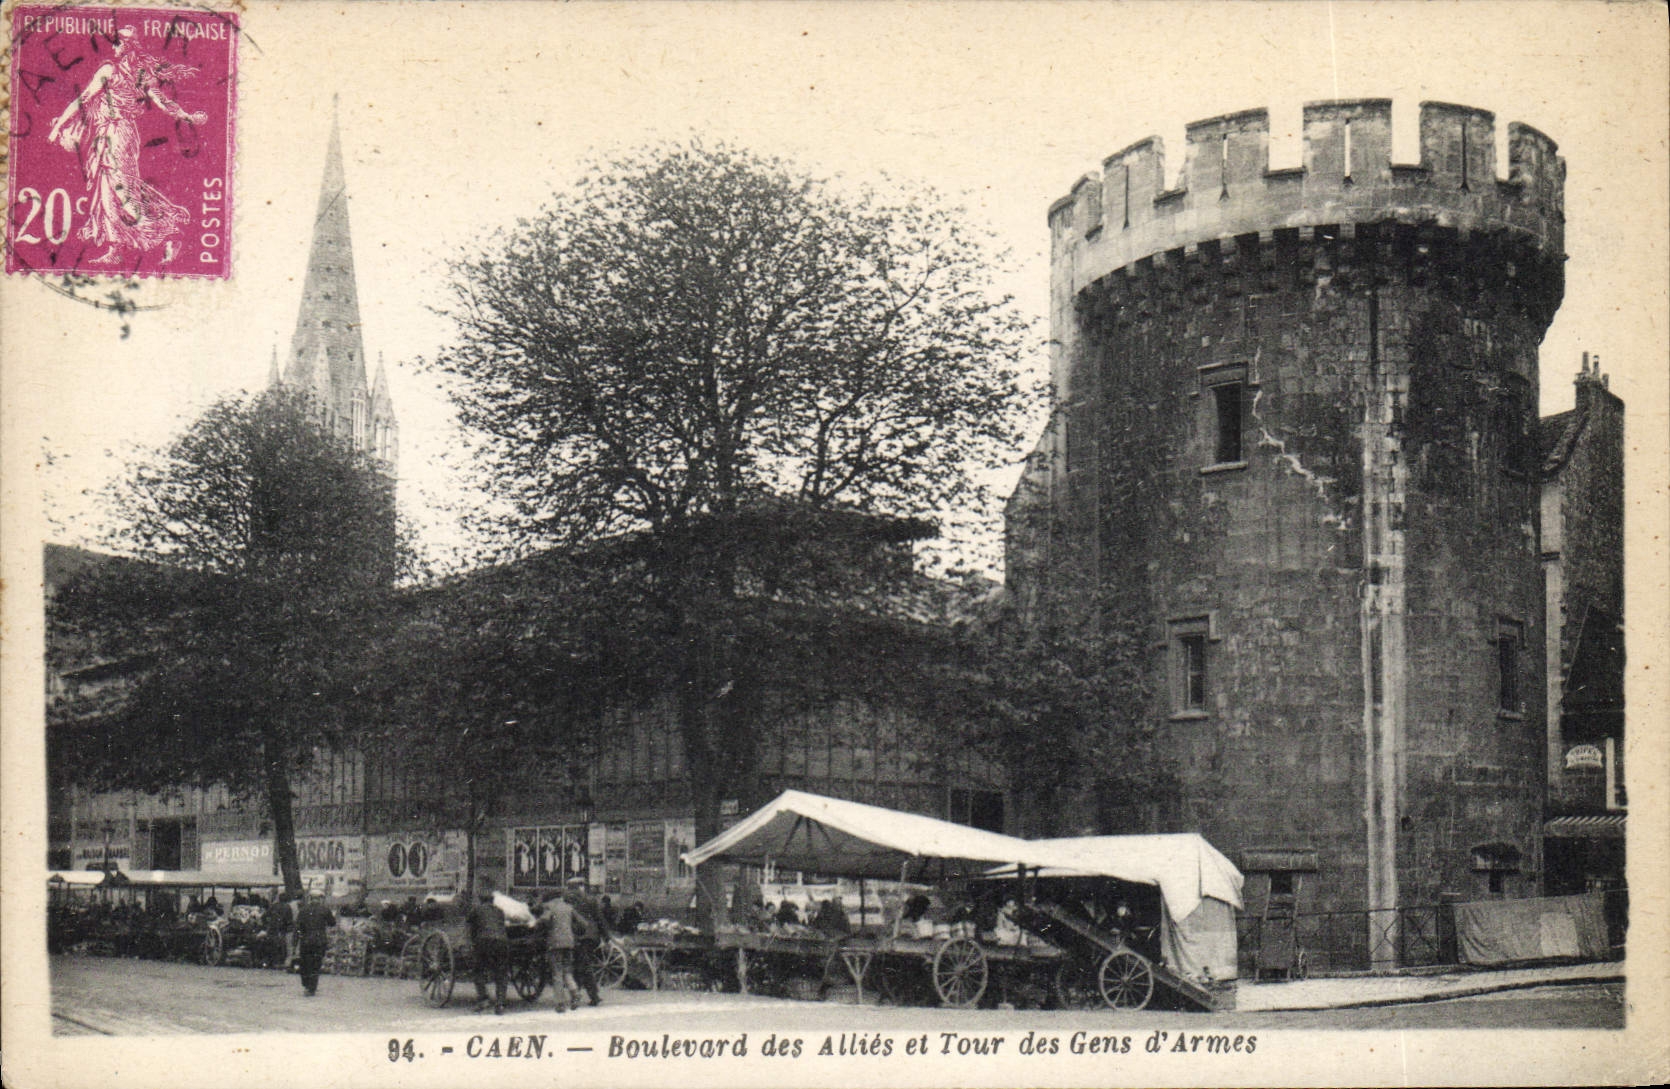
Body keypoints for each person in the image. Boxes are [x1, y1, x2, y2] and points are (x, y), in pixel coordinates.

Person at [44, 26, 207, 265]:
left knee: (120, 189)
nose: (114, 47)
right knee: (111, 187)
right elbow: (163, 103)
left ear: (123, 46)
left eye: (117, 43)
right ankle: (115, 249)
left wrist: (57, 128)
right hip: (125, 133)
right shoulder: (142, 73)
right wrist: (188, 117)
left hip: (113, 134)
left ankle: (168, 236)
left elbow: (84, 98)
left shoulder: (109, 69)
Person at [466, 885, 509, 1014]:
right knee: (501, 972)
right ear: (492, 900)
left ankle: (483, 999)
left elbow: (470, 926)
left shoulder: (476, 910)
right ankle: (500, 1003)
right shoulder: (500, 911)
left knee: (478, 970)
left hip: (484, 942)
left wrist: (471, 942)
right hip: (502, 942)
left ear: (480, 900)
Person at [563, 879, 605, 1007]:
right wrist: (606, 937)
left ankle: (586, 995)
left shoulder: (567, 899)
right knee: (582, 965)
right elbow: (600, 919)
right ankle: (589, 995)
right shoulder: (590, 900)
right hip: (590, 937)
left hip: (577, 937)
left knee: (582, 965)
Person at [540, 894, 582, 1012]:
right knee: (567, 971)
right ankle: (575, 994)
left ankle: (560, 1003)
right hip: (569, 943)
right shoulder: (569, 907)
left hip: (555, 943)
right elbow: (582, 922)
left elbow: (544, 920)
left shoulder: (550, 907)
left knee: (557, 972)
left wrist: (543, 928)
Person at [295, 890, 335, 997]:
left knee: (305, 963)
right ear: (321, 899)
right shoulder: (325, 910)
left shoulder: (303, 910)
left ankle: (306, 983)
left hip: (306, 940)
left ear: (310, 898)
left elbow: (298, 926)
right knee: (316, 964)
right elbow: (332, 923)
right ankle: (312, 987)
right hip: (319, 941)